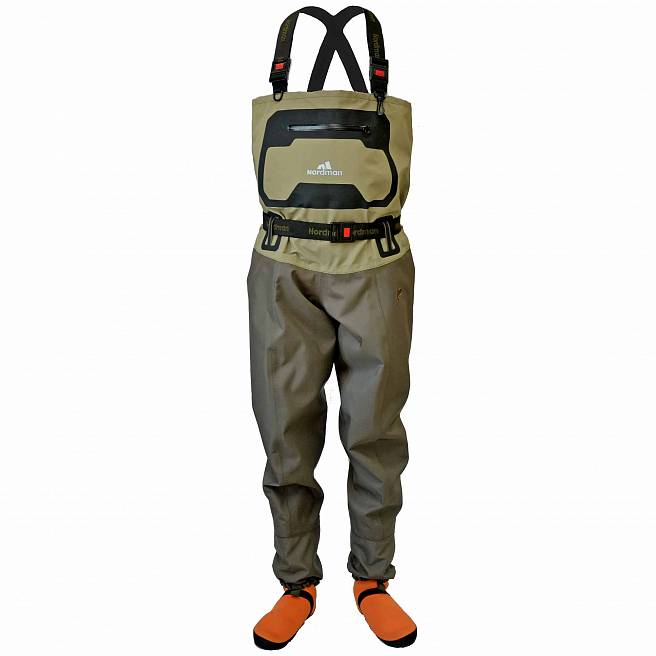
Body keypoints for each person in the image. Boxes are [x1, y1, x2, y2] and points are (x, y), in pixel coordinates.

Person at [247, 6, 417, 649]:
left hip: (375, 262)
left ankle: (372, 580)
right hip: (282, 264)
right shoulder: (281, 79)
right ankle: (297, 583)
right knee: (283, 427)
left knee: (374, 430)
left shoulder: (378, 88)